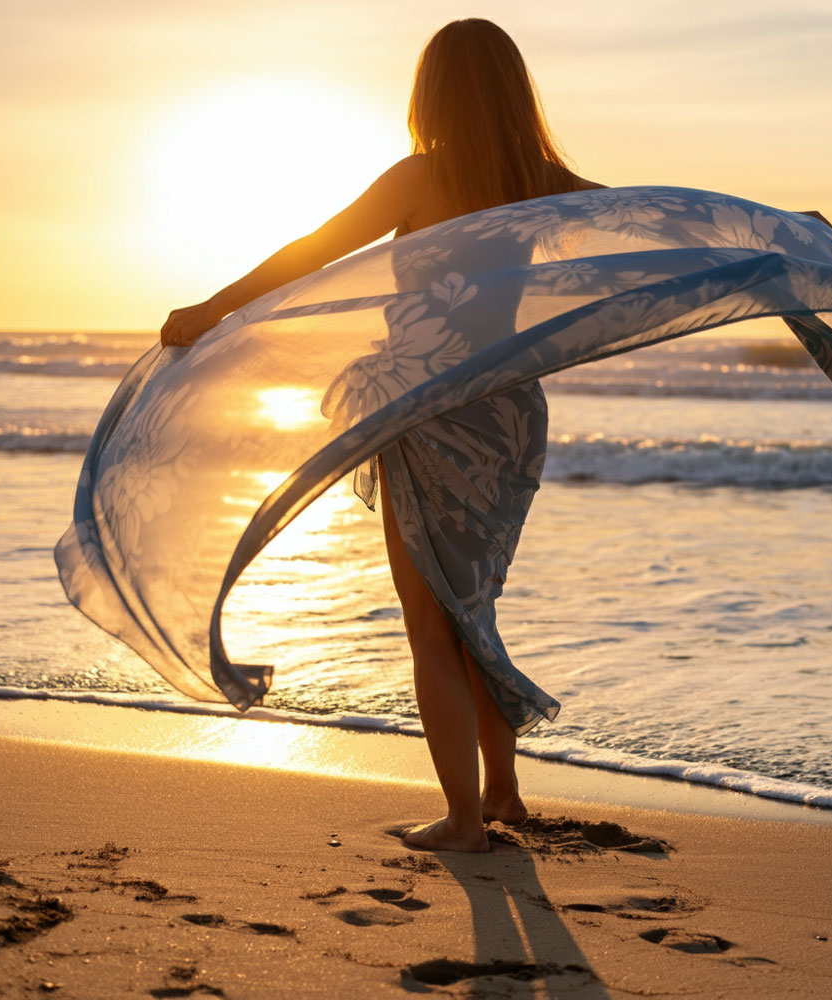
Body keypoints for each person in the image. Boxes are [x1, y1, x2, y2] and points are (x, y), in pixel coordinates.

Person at [159, 18, 604, 853]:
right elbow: (664, 226)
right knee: (470, 604)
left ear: (432, 93)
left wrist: (215, 307)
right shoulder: (540, 180)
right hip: (510, 415)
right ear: (513, 92)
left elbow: (314, 251)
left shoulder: (421, 176)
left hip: (434, 410)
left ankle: (464, 822)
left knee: (431, 622)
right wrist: (779, 233)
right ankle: (503, 793)